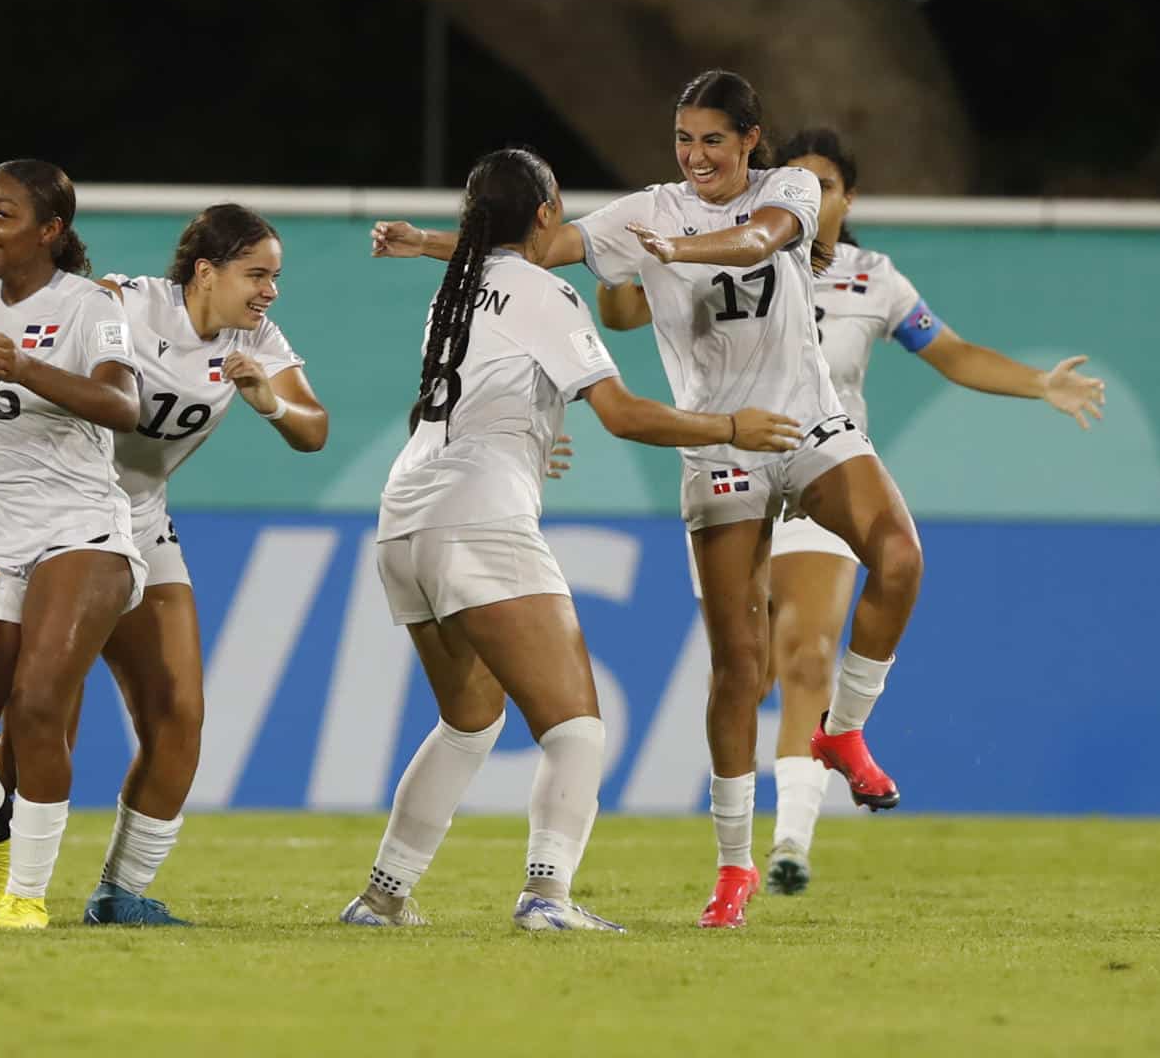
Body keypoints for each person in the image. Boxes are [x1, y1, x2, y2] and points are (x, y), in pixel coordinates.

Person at [374, 70, 920, 929]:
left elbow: (760, 240)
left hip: (805, 422)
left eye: (711, 139)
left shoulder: (789, 187)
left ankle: (842, 729)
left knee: (899, 554)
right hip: (717, 443)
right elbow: (532, 250)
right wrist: (432, 242)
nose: (694, 156)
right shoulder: (644, 212)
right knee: (739, 665)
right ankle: (735, 867)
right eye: (682, 139)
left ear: (750, 139)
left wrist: (679, 252)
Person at [597, 126, 1106, 894]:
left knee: (806, 651)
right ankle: (734, 858)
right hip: (728, 460)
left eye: (823, 185)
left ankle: (792, 839)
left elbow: (954, 353)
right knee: (745, 665)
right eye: (795, 180)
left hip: (820, 464)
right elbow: (626, 311)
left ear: (846, 198)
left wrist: (1040, 384)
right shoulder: (720, 244)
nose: (807, 194)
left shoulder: (872, 279)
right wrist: (626, 255)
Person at [346, 147, 800, 932]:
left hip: (405, 517)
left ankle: (383, 895)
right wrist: (734, 426)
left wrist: (531, 435)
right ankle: (546, 897)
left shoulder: (453, 293)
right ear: (547, 215)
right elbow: (623, 413)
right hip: (479, 517)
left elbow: (473, 398)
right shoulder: (545, 291)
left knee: (470, 720)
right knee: (576, 728)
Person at [0, 204, 329, 926]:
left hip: (143, 524)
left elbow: (313, 428)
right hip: (55, 518)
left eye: (275, 277)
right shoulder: (123, 303)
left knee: (179, 715)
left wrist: (270, 405)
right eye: (257, 274)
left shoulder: (258, 339)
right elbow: (21, 332)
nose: (269, 291)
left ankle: (120, 891)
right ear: (205, 271)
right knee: (42, 719)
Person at [0, 160, 143, 931]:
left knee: (39, 701)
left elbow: (122, 403)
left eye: (2, 215)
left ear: (51, 231)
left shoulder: (93, 306)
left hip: (84, 530)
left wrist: (29, 366)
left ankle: (27, 889)